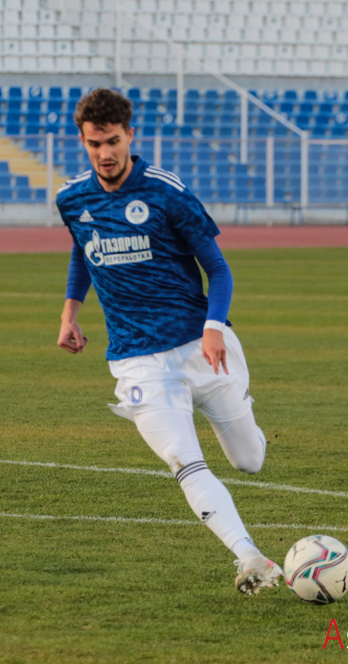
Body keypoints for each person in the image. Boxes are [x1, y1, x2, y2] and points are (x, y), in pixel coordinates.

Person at [54, 88, 284, 594]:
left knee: (250, 460)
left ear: (130, 136)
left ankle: (241, 408)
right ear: (83, 141)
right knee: (183, 460)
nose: (105, 153)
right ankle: (249, 557)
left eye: (113, 141)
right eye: (94, 144)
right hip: (137, 361)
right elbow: (81, 252)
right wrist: (71, 313)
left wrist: (214, 327)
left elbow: (218, 269)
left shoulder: (165, 191)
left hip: (201, 348)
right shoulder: (71, 198)